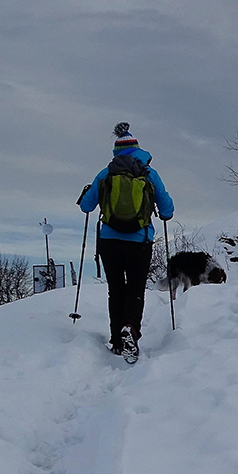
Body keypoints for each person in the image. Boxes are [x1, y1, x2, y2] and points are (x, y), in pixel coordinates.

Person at [78, 122, 175, 356]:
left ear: (116, 152)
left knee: (116, 290)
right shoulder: (150, 174)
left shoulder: (105, 173)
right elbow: (167, 210)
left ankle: (116, 340)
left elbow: (86, 206)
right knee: (135, 289)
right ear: (138, 149)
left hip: (109, 241)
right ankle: (131, 328)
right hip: (139, 241)